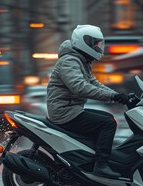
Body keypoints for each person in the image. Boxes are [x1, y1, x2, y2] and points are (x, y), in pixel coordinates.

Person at [46, 25, 128, 178]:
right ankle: (101, 165)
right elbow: (80, 87)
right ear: (85, 43)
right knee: (108, 123)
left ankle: (89, 160)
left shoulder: (81, 60)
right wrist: (113, 97)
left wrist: (118, 95)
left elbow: (94, 83)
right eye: (96, 44)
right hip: (64, 112)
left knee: (107, 118)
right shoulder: (69, 61)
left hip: (71, 109)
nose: (99, 48)